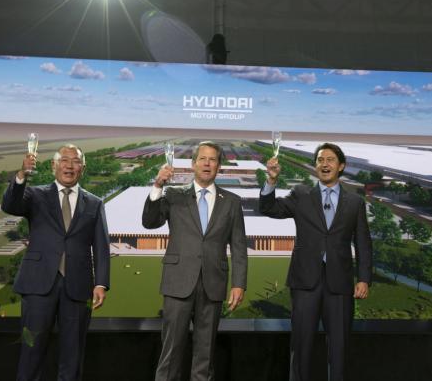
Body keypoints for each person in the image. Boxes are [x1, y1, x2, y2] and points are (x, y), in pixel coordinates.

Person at [260, 142, 372, 381]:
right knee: (300, 346)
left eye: (330, 160)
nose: (324, 164)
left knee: (339, 348)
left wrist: (363, 279)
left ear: (341, 166)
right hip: (305, 283)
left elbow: (363, 243)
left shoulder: (355, 202)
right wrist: (271, 181)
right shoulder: (301, 195)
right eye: (320, 159)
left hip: (340, 285)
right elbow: (268, 208)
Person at [1, 144, 110, 381]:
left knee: (72, 356)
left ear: (83, 167)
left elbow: (101, 247)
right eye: (64, 160)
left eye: (76, 161)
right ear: (54, 165)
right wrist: (21, 176)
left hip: (78, 289)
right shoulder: (35, 195)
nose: (69, 166)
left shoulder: (94, 203)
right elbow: (10, 205)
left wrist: (101, 283)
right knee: (31, 351)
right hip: (37, 286)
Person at [142, 141, 248, 381]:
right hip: (178, 282)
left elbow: (239, 246)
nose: (207, 163)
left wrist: (239, 284)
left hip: (213, 286)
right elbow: (149, 222)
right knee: (170, 355)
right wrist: (158, 185)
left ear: (219, 166)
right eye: (202, 159)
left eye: (212, 159)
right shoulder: (174, 195)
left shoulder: (231, 201)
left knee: (205, 357)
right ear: (193, 164)